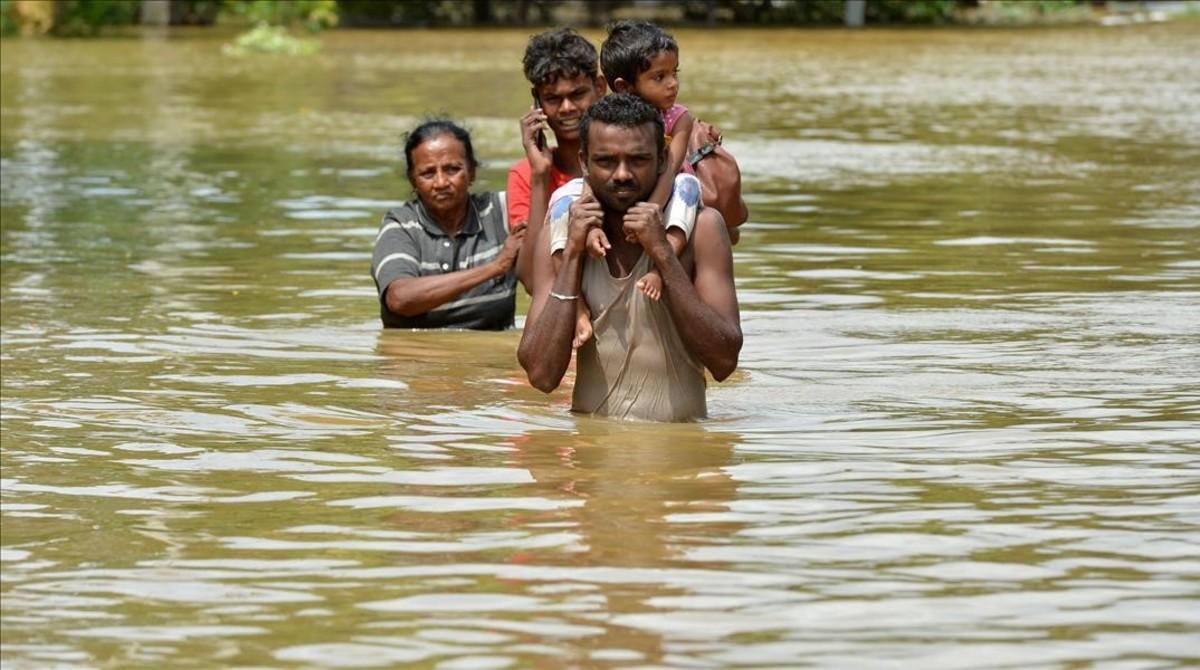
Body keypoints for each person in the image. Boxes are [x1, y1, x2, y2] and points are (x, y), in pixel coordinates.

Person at [518, 94, 742, 422]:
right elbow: (541, 376)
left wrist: (663, 254)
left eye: (638, 160)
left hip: (679, 463)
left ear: (664, 160)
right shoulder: (560, 234)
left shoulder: (702, 229)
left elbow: (724, 362)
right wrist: (572, 257)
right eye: (606, 161)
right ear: (584, 162)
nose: (622, 174)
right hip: (593, 463)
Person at [513, 26, 700, 348]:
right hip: (581, 338)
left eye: (577, 94)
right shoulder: (531, 177)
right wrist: (542, 177)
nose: (568, 108)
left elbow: (724, 221)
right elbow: (533, 280)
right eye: (553, 99)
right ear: (537, 103)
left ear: (602, 88)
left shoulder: (663, 143)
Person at [371, 119, 525, 330]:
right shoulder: (401, 225)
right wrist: (495, 267)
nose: (441, 182)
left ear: (472, 172)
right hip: (414, 359)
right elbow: (400, 299)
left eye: (452, 169)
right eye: (428, 173)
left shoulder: (500, 211)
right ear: (412, 180)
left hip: (488, 358)